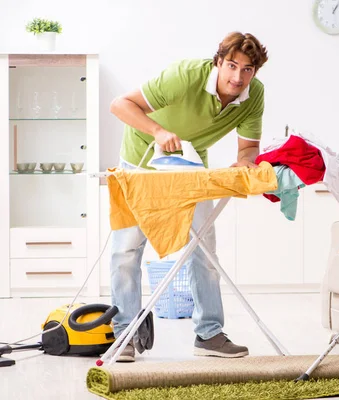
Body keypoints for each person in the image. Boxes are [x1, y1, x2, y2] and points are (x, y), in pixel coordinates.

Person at [108, 32, 269, 362]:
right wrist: (157, 131)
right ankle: (124, 333)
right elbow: (119, 104)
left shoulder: (255, 96)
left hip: (190, 167)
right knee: (127, 249)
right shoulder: (185, 76)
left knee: (204, 251)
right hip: (141, 160)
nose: (238, 77)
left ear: (255, 71)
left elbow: (249, 148)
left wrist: (244, 163)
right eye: (232, 66)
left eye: (248, 69)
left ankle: (209, 334)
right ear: (219, 61)